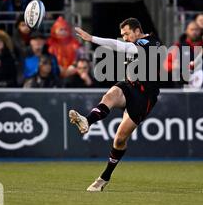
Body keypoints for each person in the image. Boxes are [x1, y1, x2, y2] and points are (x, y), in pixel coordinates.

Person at [69, 18, 162, 191]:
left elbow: (123, 47)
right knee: (111, 95)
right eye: (122, 35)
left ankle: (104, 177)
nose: (125, 38)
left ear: (137, 30)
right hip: (129, 86)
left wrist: (92, 39)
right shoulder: (134, 43)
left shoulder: (152, 42)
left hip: (144, 97)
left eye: (127, 34)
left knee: (119, 140)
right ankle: (87, 121)